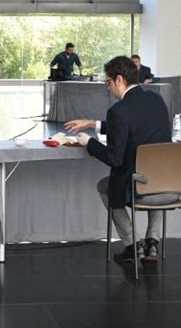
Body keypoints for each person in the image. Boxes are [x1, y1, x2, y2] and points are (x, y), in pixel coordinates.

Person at [65, 56, 174, 264]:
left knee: (106, 186)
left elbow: (114, 158)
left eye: (108, 82)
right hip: (169, 186)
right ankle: (152, 242)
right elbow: (135, 124)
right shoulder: (156, 100)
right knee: (155, 175)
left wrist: (89, 142)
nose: (108, 87)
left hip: (138, 189)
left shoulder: (118, 110)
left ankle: (133, 245)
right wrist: (94, 124)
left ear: (119, 79)